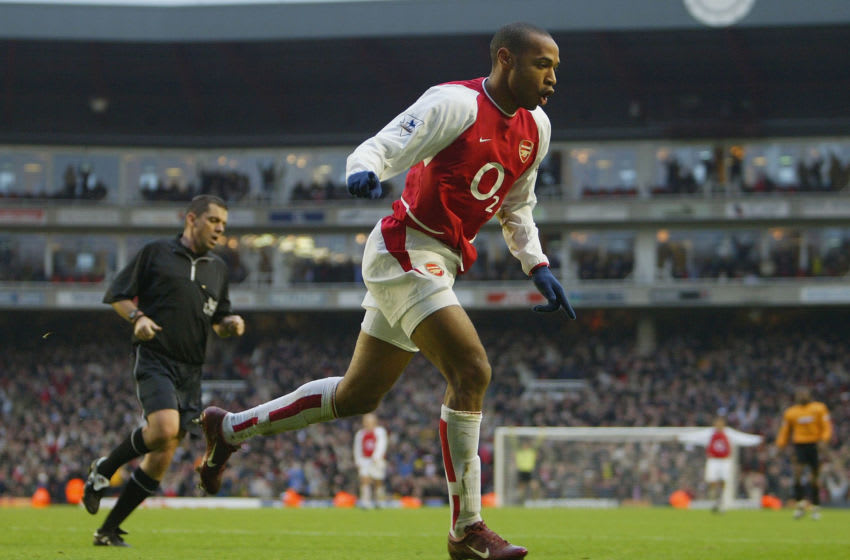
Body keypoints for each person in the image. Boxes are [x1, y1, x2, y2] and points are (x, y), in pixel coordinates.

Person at [195, 21, 573, 560]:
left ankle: (228, 429)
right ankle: (467, 529)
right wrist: (363, 170)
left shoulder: (538, 128)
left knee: (358, 396)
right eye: (544, 64)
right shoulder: (454, 103)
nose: (553, 77)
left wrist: (536, 264)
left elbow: (518, 206)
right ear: (506, 59)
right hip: (405, 248)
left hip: (441, 259)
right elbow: (386, 143)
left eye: (556, 67)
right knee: (471, 371)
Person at [82, 194, 245, 546]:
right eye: (214, 220)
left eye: (224, 224)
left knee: (163, 454)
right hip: (156, 357)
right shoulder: (155, 253)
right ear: (191, 219)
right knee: (163, 429)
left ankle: (108, 530)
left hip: (191, 370)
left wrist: (229, 323)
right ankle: (104, 470)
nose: (220, 229)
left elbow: (217, 319)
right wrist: (137, 318)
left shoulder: (218, 268)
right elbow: (117, 295)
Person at [679, 412, 762, 513]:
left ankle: (720, 499)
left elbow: (742, 438)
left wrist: (757, 440)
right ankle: (714, 497)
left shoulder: (728, 433)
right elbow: (696, 437)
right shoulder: (710, 433)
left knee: (723, 480)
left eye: (721, 423)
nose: (719, 425)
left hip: (725, 461)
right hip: (713, 460)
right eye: (717, 422)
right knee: (712, 480)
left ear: (724, 423)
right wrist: (681, 437)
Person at [776, 386, 833, 520]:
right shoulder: (791, 412)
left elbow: (826, 426)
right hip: (800, 445)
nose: (802, 396)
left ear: (809, 395)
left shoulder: (819, 408)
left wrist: (824, 440)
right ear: (796, 397)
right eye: (799, 394)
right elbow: (785, 431)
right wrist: (780, 446)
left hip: (814, 444)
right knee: (797, 473)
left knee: (814, 478)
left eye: (804, 394)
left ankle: (816, 506)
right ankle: (800, 505)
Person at [353, 413, 388, 509]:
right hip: (364, 460)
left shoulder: (380, 432)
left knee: (378, 481)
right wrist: (358, 460)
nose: (368, 424)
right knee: (364, 480)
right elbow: (357, 448)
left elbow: (382, 445)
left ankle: (380, 501)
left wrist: (377, 457)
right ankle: (365, 502)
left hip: (377, 460)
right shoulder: (360, 434)